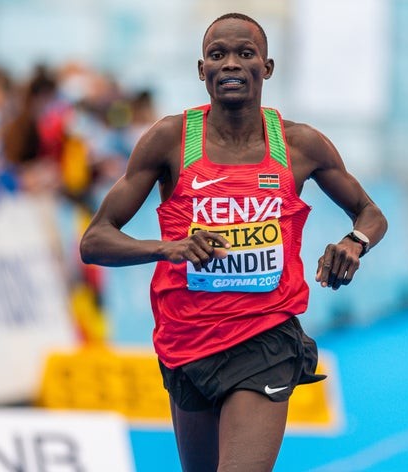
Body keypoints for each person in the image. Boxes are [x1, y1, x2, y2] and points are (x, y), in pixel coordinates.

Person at [80, 12, 387, 472]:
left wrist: (354, 242)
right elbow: (95, 240)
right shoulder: (170, 140)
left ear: (267, 67)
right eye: (217, 54)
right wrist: (167, 248)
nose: (230, 64)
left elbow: (370, 213)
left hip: (265, 338)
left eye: (245, 53)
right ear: (201, 69)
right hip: (186, 339)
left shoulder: (300, 145)